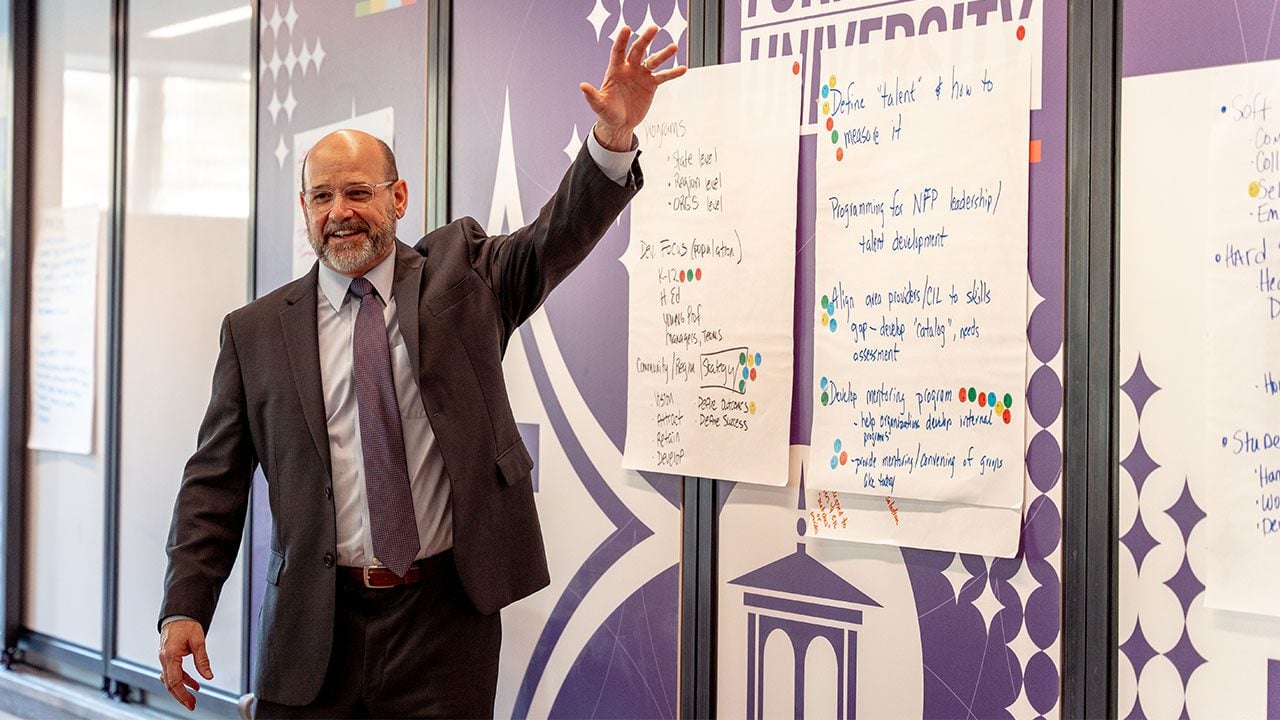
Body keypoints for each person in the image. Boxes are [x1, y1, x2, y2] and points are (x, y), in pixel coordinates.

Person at [156, 25, 685, 719]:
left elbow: (553, 240)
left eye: (357, 193)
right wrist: (185, 605)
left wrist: (612, 142)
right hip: (315, 625)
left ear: (398, 199)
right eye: (321, 198)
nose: (339, 213)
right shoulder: (255, 334)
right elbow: (214, 481)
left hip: (442, 621)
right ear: (305, 211)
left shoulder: (462, 279)